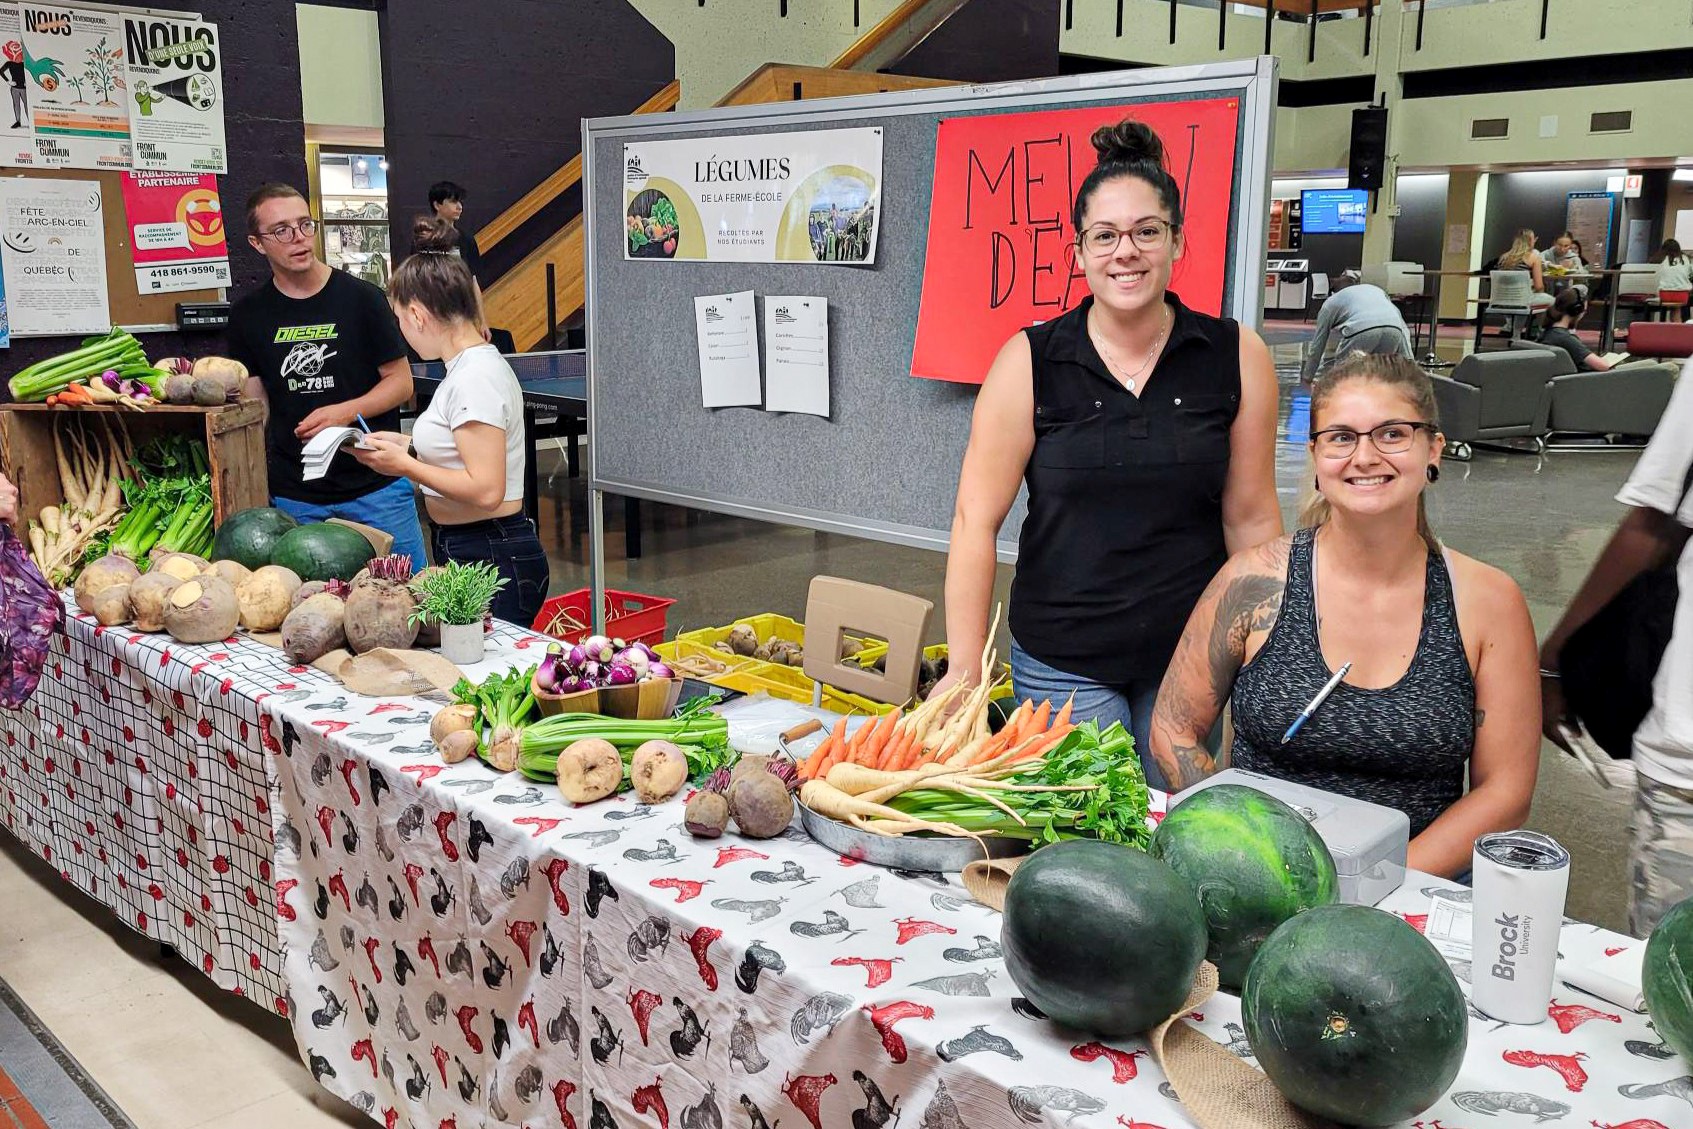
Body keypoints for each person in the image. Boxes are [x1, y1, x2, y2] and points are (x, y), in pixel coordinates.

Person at [936, 118, 1283, 790]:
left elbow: (1251, 521)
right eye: (1105, 235)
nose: (1125, 251)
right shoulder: (1029, 362)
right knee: (1094, 835)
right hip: (1062, 656)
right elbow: (973, 521)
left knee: (1177, 829)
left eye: (1146, 231)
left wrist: (1262, 657)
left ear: (1177, 240)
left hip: (1191, 656)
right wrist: (964, 666)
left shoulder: (1236, 356)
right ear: (1078, 252)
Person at [1149, 354, 1539, 878]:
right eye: (1340, 437)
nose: (1365, 456)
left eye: (1392, 434)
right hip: (1261, 878)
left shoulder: (1488, 601)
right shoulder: (1254, 581)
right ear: (1315, 456)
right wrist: (1239, 846)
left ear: (1434, 451)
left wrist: (1371, 883)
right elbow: (1174, 728)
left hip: (1416, 885)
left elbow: (1506, 793)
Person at [1542, 363, 1693, 934]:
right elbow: (1657, 524)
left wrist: (1553, 661)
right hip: (1684, 761)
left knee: (1672, 983)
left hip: (1685, 759)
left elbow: (1653, 526)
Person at [350, 217, 550, 628]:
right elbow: (461, 456)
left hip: (491, 550)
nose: (402, 331)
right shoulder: (464, 370)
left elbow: (487, 489)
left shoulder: (475, 377)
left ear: (419, 316)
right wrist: (407, 447)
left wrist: (405, 466)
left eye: (400, 319)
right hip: (471, 546)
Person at [227, 182, 427, 565]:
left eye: (305, 225)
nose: (298, 239)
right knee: (309, 614)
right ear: (257, 243)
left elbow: (401, 384)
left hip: (377, 487)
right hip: (297, 496)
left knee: (411, 604)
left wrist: (345, 411)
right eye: (281, 230)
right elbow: (256, 406)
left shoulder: (363, 298)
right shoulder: (248, 315)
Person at [1300, 272, 1414, 385]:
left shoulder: (1330, 302)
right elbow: (1402, 328)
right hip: (1394, 329)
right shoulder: (1376, 290)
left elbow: (1318, 343)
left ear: (1333, 292)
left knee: (1343, 377)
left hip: (1361, 329)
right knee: (1380, 376)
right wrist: (1411, 366)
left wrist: (1307, 377)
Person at [1535, 289, 1613, 371]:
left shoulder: (1546, 333)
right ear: (1576, 311)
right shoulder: (1566, 339)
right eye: (1584, 311)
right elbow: (1603, 366)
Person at [429, 181, 480, 281]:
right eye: (453, 201)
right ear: (437, 205)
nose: (459, 207)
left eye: (460, 202)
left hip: (459, 294)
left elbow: (473, 279)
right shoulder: (425, 238)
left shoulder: (466, 240)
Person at [1497, 228, 1554, 310]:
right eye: (1533, 239)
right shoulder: (1533, 258)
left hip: (1502, 301)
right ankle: (1537, 323)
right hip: (1524, 300)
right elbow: (1539, 287)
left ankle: (1512, 323)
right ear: (1530, 241)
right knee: (1555, 302)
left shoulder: (1503, 258)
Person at [1656, 239, 1691, 323]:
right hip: (1682, 295)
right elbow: (1690, 274)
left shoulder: (1661, 259)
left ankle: (1672, 327)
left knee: (1674, 308)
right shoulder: (1685, 259)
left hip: (1665, 295)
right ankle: (1678, 328)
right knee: (1677, 308)